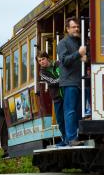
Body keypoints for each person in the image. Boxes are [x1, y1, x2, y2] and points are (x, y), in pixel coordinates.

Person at [57, 17, 88, 146]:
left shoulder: (79, 42)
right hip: (69, 82)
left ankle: (78, 135)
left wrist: (86, 58)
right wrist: (79, 54)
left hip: (80, 81)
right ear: (67, 29)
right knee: (70, 111)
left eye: (77, 27)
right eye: (74, 27)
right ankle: (71, 139)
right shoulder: (62, 43)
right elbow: (64, 61)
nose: (76, 29)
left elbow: (83, 57)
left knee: (80, 111)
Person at [37, 51, 66, 146]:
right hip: (57, 97)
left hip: (66, 93)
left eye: (43, 59)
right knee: (60, 119)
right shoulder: (42, 72)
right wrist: (63, 79)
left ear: (47, 58)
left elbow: (65, 72)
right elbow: (52, 82)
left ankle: (73, 137)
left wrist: (63, 78)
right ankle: (65, 139)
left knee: (69, 115)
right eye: (39, 61)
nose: (41, 62)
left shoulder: (57, 63)